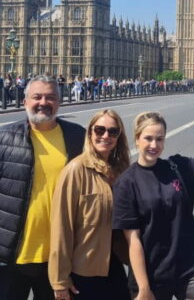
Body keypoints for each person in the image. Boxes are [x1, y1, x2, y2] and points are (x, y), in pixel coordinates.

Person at [0, 75, 87, 300]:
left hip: (59, 257)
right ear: (25, 102)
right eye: (37, 97)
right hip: (10, 255)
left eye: (50, 97)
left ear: (59, 102)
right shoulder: (2, 137)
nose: (43, 102)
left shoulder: (78, 137)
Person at [113, 103, 194, 300]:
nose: (154, 145)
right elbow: (132, 240)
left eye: (159, 139)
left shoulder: (177, 167)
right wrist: (143, 288)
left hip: (189, 266)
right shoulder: (126, 183)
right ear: (137, 139)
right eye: (148, 138)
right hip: (152, 273)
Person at [49, 110, 131, 300]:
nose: (105, 136)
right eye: (100, 130)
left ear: (119, 137)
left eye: (113, 132)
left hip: (115, 263)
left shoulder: (121, 170)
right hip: (84, 271)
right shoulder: (75, 170)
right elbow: (62, 227)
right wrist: (60, 280)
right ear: (90, 134)